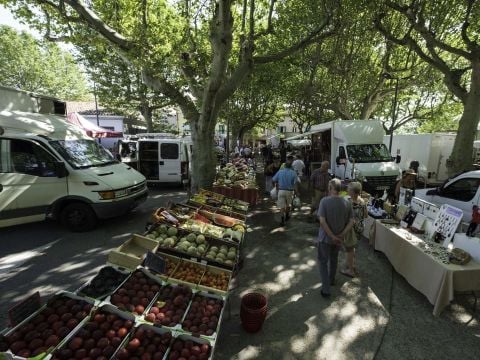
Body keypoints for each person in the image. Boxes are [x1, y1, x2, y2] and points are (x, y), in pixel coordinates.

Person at [316, 178, 354, 297]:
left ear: (330, 188)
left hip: (325, 238)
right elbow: (352, 221)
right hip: (338, 239)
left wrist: (331, 236)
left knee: (323, 262)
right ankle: (331, 280)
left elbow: (322, 221)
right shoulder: (347, 202)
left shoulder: (324, 201)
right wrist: (341, 234)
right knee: (334, 259)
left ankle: (326, 289)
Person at [341, 182, 367, 278]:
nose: (347, 190)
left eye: (349, 189)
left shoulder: (348, 202)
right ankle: (352, 264)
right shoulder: (362, 201)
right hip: (360, 228)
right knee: (353, 247)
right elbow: (366, 215)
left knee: (349, 249)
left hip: (351, 228)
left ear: (352, 192)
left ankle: (350, 270)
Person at [272, 157, 297, 226]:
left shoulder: (280, 172)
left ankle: (282, 218)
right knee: (288, 204)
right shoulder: (293, 173)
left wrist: (275, 186)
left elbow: (273, 180)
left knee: (282, 206)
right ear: (291, 166)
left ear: (284, 166)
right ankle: (287, 215)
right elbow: (295, 184)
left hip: (281, 190)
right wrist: (297, 192)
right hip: (290, 191)